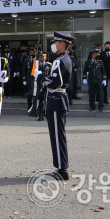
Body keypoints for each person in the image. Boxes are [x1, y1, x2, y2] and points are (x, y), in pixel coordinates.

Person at [42, 31, 75, 181]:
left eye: (56, 42)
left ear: (62, 44)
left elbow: (55, 82)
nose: (54, 45)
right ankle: (60, 167)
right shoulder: (61, 59)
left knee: (57, 136)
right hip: (55, 99)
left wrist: (41, 77)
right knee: (56, 136)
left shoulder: (61, 60)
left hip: (56, 99)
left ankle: (63, 169)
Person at [33, 52, 52, 121]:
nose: (42, 58)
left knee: (47, 100)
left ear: (46, 58)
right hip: (39, 85)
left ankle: (46, 114)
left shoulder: (49, 65)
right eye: (41, 57)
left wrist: (42, 74)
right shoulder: (36, 65)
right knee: (40, 100)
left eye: (43, 57)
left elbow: (51, 74)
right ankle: (40, 115)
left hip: (47, 85)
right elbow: (32, 74)